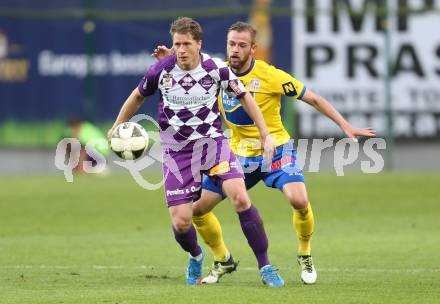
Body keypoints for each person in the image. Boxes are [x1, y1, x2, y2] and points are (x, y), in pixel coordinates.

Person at [153, 21, 376, 285]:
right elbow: (189, 70)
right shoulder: (217, 72)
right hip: (237, 153)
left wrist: (345, 125)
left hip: (275, 149)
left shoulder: (271, 76)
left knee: (298, 200)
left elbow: (313, 98)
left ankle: (304, 253)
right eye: (231, 44)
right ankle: (222, 258)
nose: (235, 50)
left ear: (253, 49)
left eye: (241, 45)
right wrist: (173, 60)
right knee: (198, 210)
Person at [109, 17, 285, 287]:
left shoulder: (217, 68)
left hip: (213, 145)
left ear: (199, 44)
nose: (180, 49)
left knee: (239, 198)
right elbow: (137, 96)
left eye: (186, 44)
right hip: (178, 152)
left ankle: (266, 267)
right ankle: (196, 255)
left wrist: (264, 133)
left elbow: (245, 97)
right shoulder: (161, 70)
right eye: (177, 44)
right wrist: (117, 126)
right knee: (181, 223)